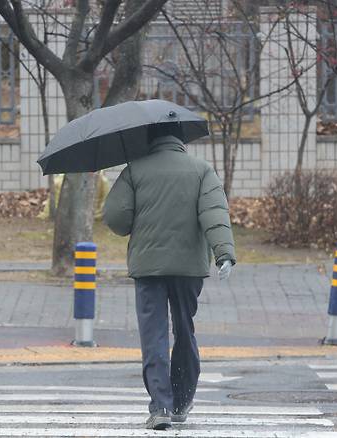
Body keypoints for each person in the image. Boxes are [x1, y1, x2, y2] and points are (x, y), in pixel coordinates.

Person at [103, 122, 236, 430]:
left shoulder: (134, 170)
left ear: (150, 139)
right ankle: (183, 399)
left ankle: (160, 406)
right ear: (180, 139)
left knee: (154, 336)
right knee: (185, 331)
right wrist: (224, 254)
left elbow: (117, 219)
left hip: (148, 267)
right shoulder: (202, 170)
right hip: (189, 268)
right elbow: (214, 214)